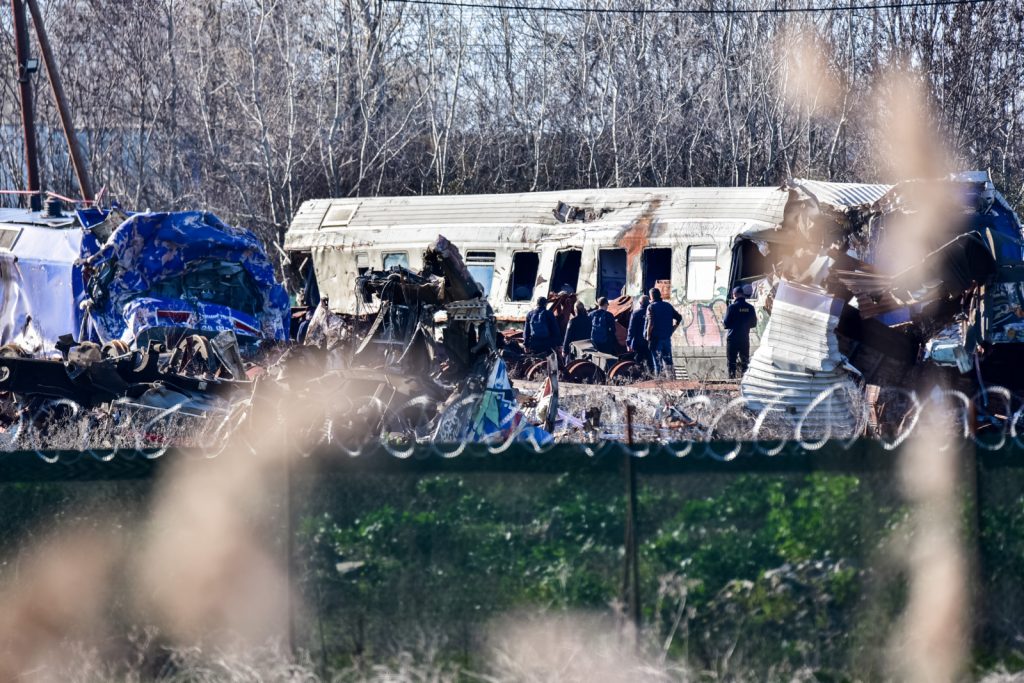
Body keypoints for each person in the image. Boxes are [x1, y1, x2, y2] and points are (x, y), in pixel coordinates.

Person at [644, 288, 682, 376]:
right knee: (669, 362)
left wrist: (648, 337)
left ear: (651, 296)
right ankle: (672, 382)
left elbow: (651, 323)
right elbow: (679, 317)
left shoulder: (651, 307)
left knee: (657, 363)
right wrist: (673, 329)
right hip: (666, 339)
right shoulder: (668, 305)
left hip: (655, 339)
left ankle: (659, 383)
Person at [723, 285, 757, 379]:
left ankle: (732, 380)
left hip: (732, 338)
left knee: (731, 362)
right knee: (745, 361)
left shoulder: (731, 307)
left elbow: (726, 324)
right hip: (744, 338)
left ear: (734, 295)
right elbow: (754, 323)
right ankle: (745, 380)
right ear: (742, 294)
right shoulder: (750, 308)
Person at [626, 295, 651, 371]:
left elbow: (631, 329)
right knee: (650, 361)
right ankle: (651, 377)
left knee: (638, 360)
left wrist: (628, 342)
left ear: (640, 303)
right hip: (650, 341)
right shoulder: (653, 312)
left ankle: (639, 377)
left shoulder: (636, 313)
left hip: (638, 342)